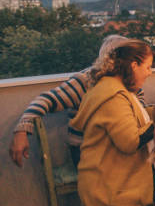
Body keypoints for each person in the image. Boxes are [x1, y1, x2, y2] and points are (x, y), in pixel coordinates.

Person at [70, 40, 155, 206]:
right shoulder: (113, 96)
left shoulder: (108, 87)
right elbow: (130, 142)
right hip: (109, 192)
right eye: (147, 66)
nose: (149, 73)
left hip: (98, 178)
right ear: (133, 65)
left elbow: (135, 119)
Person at [8, 34, 144, 168]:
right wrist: (21, 131)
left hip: (115, 146)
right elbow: (46, 100)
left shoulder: (130, 79)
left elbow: (140, 107)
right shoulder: (87, 80)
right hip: (87, 152)